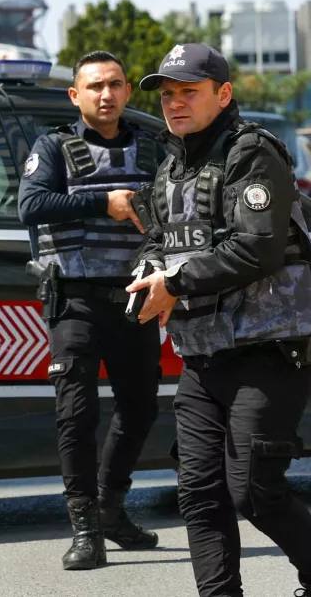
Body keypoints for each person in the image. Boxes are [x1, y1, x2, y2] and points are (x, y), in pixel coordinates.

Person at [129, 42, 311, 597]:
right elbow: (161, 242)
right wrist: (148, 273)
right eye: (168, 94)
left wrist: (175, 283)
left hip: (268, 350)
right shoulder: (170, 167)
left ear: (223, 93)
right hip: (202, 354)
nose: (175, 103)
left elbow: (258, 248)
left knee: (253, 490)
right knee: (198, 493)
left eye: (189, 92)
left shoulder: (252, 153)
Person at [18, 50, 164, 571]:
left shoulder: (151, 148)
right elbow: (31, 205)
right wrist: (105, 203)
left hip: (133, 298)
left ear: (126, 90)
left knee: (140, 409)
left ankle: (111, 509)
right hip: (74, 301)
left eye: (116, 84)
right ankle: (85, 531)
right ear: (75, 95)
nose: (107, 94)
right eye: (96, 86)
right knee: (76, 415)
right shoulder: (53, 146)